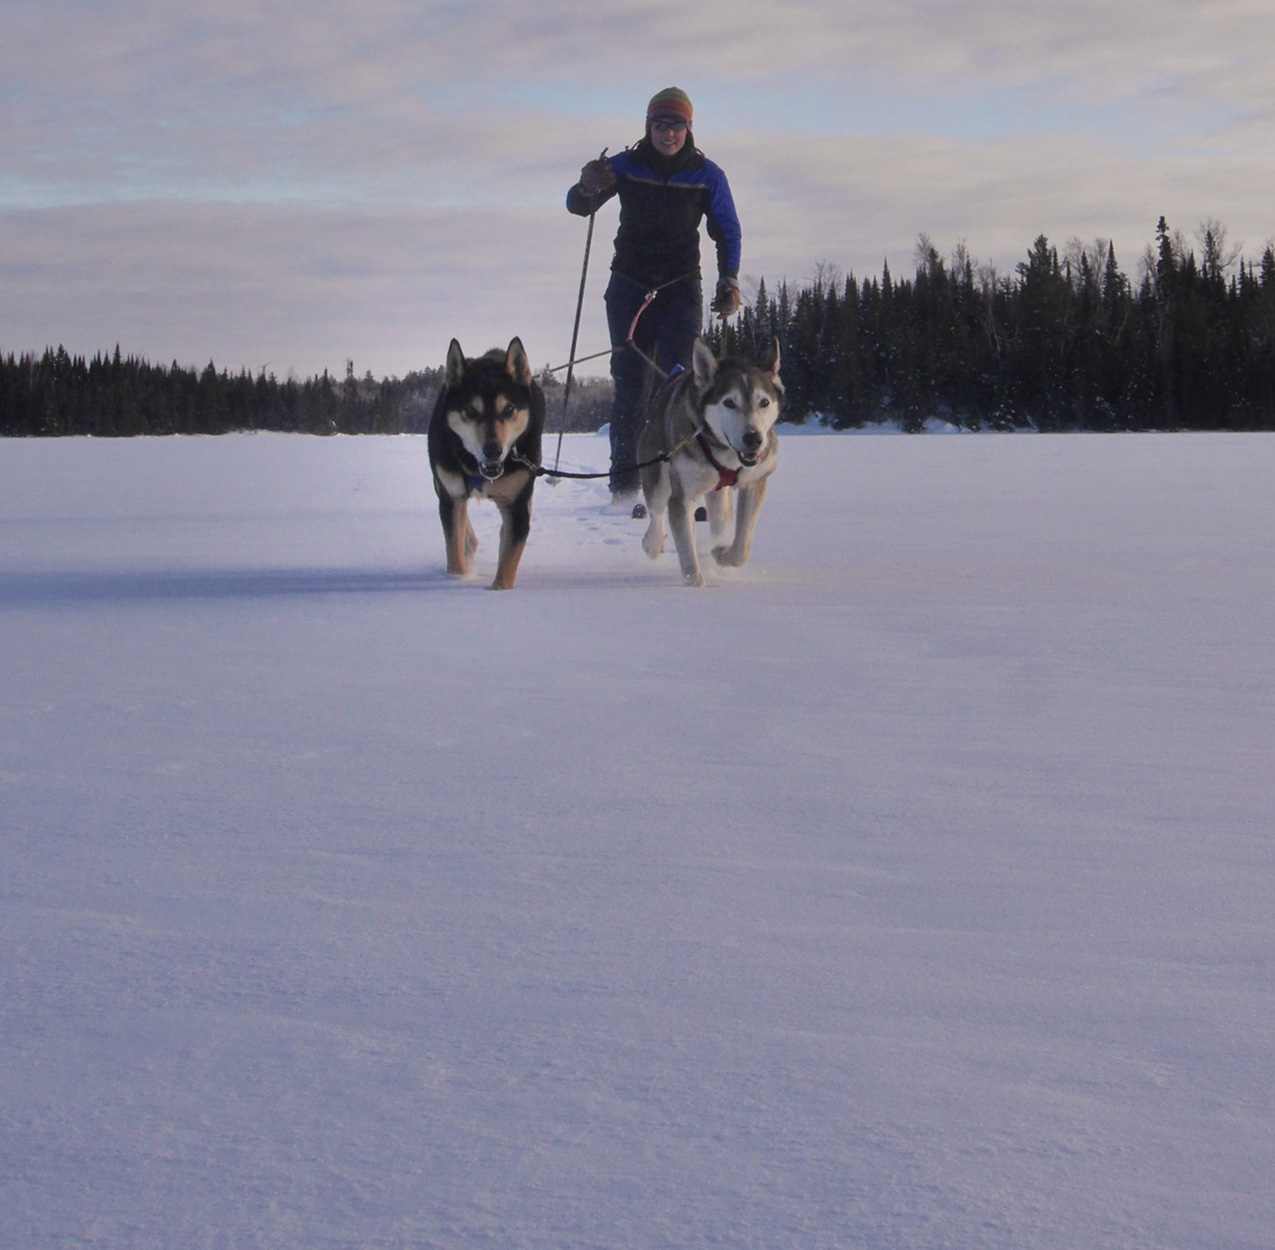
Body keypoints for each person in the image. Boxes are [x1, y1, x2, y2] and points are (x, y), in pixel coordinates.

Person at [567, 87, 742, 502]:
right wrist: (586, 184)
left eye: (676, 125)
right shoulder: (624, 166)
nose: (669, 134)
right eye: (661, 125)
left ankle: (684, 484)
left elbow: (727, 231)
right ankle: (626, 487)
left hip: (680, 288)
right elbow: (578, 206)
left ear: (689, 128)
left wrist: (729, 280)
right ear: (648, 127)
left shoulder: (707, 176)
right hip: (629, 286)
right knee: (631, 385)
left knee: (681, 384)